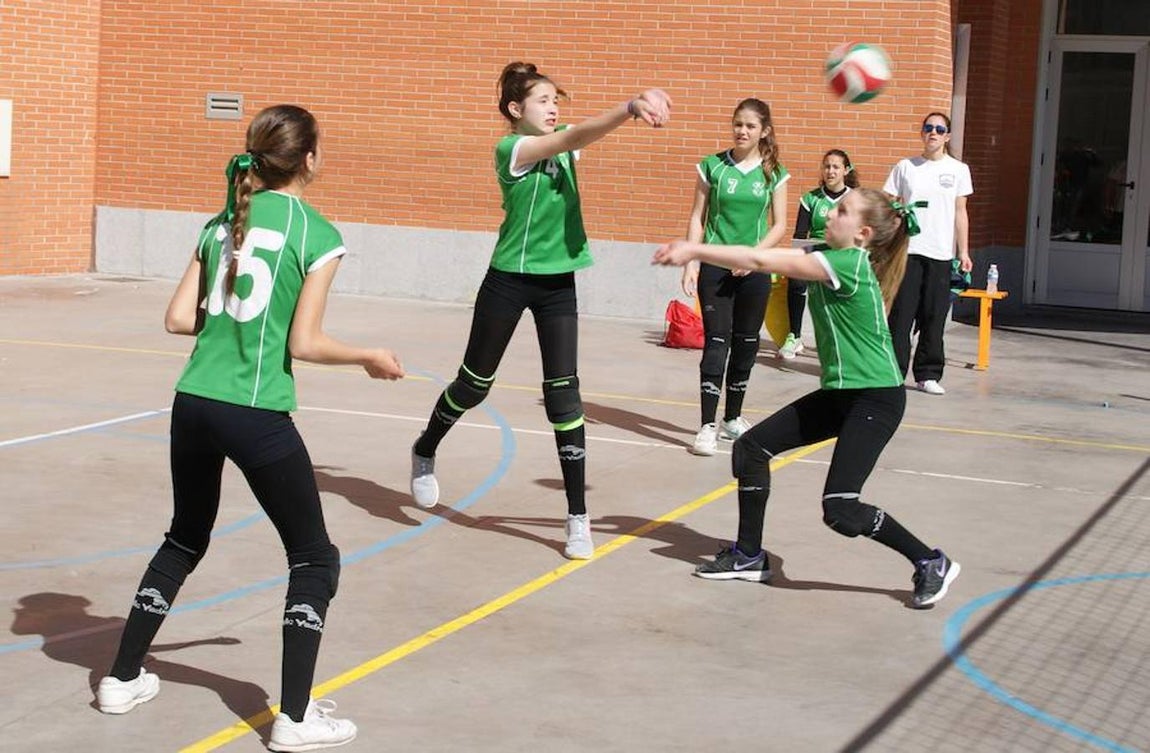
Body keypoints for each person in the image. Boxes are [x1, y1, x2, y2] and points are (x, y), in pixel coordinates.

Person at [95, 105, 405, 751]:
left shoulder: (221, 221)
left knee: (184, 538)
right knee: (315, 557)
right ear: (310, 159)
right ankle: (293, 717)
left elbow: (178, 319)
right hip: (254, 409)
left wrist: (228, 329)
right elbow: (308, 341)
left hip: (192, 404)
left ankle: (120, 678)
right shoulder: (316, 232)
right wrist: (368, 355)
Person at [409, 62, 671, 560]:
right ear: (515, 110)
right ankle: (425, 449)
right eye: (543, 100)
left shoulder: (566, 137)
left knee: (564, 396)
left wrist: (634, 106)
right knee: (474, 384)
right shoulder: (512, 149)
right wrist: (630, 106)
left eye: (557, 101)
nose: (553, 108)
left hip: (558, 285)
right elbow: (571, 140)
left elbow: (582, 133)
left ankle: (577, 518)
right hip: (509, 279)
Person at [652, 188, 961, 609]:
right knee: (751, 448)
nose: (830, 212)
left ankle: (930, 560)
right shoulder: (832, 256)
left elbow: (760, 259)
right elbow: (767, 258)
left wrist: (693, 248)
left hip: (875, 398)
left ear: (862, 234)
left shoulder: (847, 263)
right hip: (841, 393)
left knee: (840, 509)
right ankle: (748, 556)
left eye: (843, 210)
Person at [679, 98, 789, 457]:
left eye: (750, 126)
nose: (742, 131)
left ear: (764, 131)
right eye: (737, 124)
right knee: (716, 342)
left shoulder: (774, 172)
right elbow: (698, 216)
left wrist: (754, 257)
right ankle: (707, 425)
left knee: (747, 342)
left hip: (754, 270)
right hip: (716, 267)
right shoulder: (713, 167)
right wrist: (691, 260)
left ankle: (732, 418)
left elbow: (781, 225)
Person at [883, 112, 973, 395]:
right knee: (901, 314)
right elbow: (888, 204)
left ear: (947, 136)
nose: (932, 133)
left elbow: (961, 212)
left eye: (939, 129)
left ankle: (928, 373)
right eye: (928, 128)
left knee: (934, 315)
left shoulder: (958, 170)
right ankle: (893, 371)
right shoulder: (906, 167)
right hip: (908, 252)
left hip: (940, 254)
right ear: (922, 133)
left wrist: (964, 251)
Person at [783, 149, 859, 359]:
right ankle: (794, 336)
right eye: (827, 166)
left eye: (836, 167)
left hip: (842, 253)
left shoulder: (855, 198)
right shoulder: (810, 198)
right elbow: (800, 234)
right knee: (796, 280)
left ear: (846, 170)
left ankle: (843, 341)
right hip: (815, 251)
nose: (830, 171)